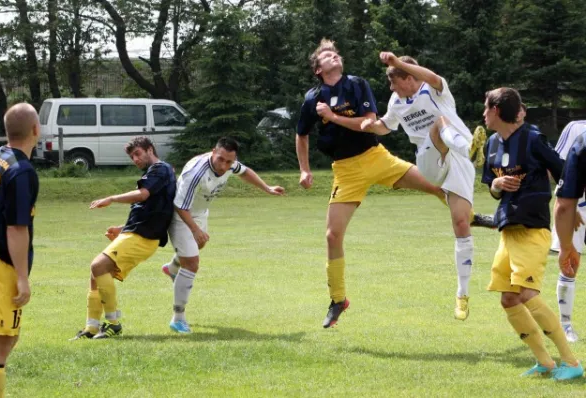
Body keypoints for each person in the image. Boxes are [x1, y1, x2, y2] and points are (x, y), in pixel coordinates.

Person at [296, 39, 448, 329]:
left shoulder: (357, 84)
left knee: (435, 186)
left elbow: (369, 121)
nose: (334, 57)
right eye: (327, 56)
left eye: (336, 53)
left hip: (376, 157)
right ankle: (338, 299)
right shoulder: (311, 98)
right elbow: (301, 135)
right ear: (318, 69)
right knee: (332, 236)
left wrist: (332, 117)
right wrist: (304, 169)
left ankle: (471, 218)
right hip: (345, 170)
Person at [360, 52, 492, 321]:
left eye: (394, 81)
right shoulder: (397, 101)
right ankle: (469, 147)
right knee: (438, 125)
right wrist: (370, 125)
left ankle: (462, 294)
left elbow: (430, 76)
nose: (392, 88)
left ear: (409, 77)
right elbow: (387, 125)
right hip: (429, 160)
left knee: (461, 223)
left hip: (460, 164)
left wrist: (397, 62)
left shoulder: (434, 89)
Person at [481, 87, 582, 380]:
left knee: (526, 293)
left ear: (497, 111)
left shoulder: (533, 139)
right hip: (507, 230)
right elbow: (491, 183)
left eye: (486, 109)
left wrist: (570, 204)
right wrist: (497, 186)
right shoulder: (491, 144)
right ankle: (545, 363)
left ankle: (572, 362)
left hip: (532, 228)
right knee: (508, 299)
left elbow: (564, 170)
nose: (483, 115)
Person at [161, 137, 285, 333]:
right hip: (181, 215)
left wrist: (267, 188)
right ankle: (178, 318)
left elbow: (245, 172)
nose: (224, 165)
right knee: (192, 262)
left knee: (196, 248)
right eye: (221, 160)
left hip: (199, 213)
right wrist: (195, 229)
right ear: (213, 152)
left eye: (229, 162)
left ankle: (172, 268)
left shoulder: (230, 164)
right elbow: (180, 205)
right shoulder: (196, 172)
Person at [70, 136, 176, 340]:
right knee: (96, 275)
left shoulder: (160, 169)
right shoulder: (157, 173)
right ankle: (91, 328)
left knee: (98, 266)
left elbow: (142, 195)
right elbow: (150, 209)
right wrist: (122, 228)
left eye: (138, 154)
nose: (135, 159)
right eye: (132, 156)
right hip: (136, 232)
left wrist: (110, 198)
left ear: (150, 149)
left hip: (144, 237)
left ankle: (113, 324)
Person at [0, 103, 40, 397]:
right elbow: (16, 228)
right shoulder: (21, 171)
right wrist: (22, 277)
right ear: (36, 130)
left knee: (7, 337)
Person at [550, 121, 586, 343]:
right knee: (571, 264)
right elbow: (557, 164)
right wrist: (569, 204)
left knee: (568, 260)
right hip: (578, 202)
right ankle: (565, 324)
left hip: (571, 202)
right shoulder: (576, 128)